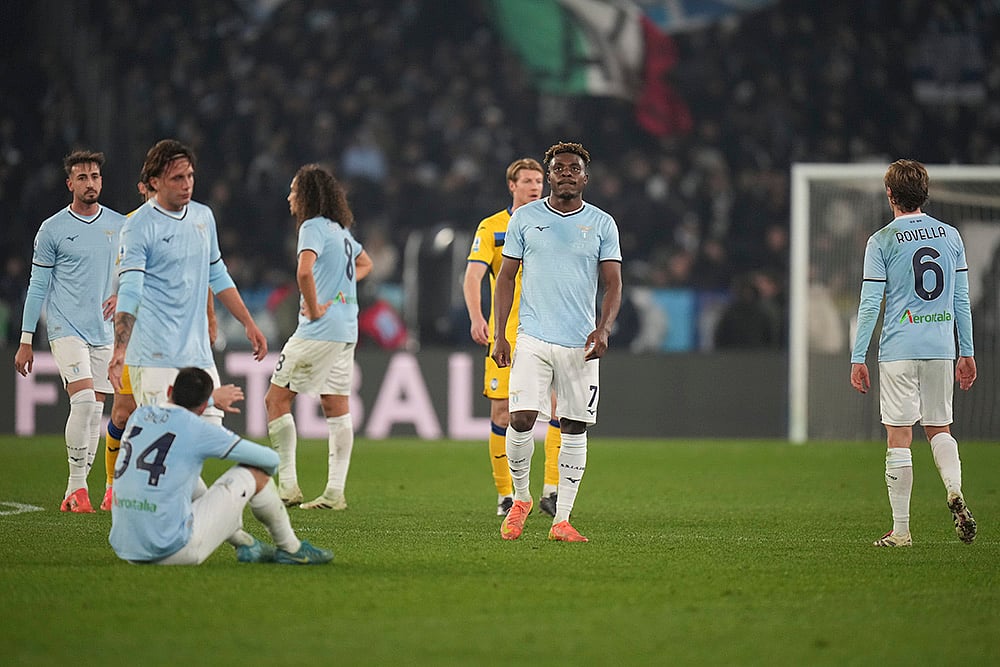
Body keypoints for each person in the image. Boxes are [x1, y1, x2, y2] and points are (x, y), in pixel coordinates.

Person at [492, 141, 623, 542]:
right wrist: (501, 334)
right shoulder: (525, 219)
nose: (566, 173)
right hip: (531, 336)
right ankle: (520, 498)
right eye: (559, 168)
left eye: (574, 168)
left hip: (579, 343)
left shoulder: (602, 223)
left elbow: (613, 284)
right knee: (521, 419)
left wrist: (603, 329)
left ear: (585, 177)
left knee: (574, 425)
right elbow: (506, 278)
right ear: (549, 176)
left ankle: (562, 519)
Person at [850, 159, 977, 548]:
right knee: (939, 428)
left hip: (899, 350)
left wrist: (858, 357)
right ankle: (953, 489)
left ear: (890, 194)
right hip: (941, 348)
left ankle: (902, 531)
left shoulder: (882, 240)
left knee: (899, 435)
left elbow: (871, 304)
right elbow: (961, 299)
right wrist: (966, 352)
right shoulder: (950, 236)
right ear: (925, 193)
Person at [109, 367, 333, 565]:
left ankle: (246, 544)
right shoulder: (198, 428)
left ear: (169, 391)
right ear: (204, 407)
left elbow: (171, 415)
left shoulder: (140, 415)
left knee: (180, 473)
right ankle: (291, 549)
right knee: (255, 473)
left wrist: (211, 400)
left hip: (126, 549)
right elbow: (270, 459)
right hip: (171, 551)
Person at [109, 139, 267, 414]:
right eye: (177, 178)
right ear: (155, 182)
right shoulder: (138, 226)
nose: (187, 184)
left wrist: (248, 322)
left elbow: (217, 275)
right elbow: (130, 291)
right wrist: (120, 350)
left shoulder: (203, 217)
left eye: (190, 176)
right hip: (154, 356)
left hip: (197, 355)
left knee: (210, 425)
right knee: (167, 439)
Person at [14, 150, 126, 513]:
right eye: (82, 178)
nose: (89, 183)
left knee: (96, 413)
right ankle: (76, 488)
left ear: (101, 181)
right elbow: (37, 286)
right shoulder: (52, 229)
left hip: (105, 331)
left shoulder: (119, 225)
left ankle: (96, 490)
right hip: (65, 328)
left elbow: (131, 272)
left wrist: (119, 294)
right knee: (81, 402)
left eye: (94, 176)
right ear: (70, 184)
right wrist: (26, 340)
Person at [101, 178, 220, 511]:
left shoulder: (192, 222)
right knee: (124, 414)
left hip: (179, 339)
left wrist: (210, 317)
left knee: (173, 417)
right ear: (146, 187)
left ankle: (166, 492)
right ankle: (112, 486)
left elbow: (204, 276)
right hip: (140, 334)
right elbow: (125, 282)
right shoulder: (134, 225)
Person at [265, 164, 372, 509]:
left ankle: (288, 486)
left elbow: (303, 271)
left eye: (294, 191)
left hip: (320, 329)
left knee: (276, 400)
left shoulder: (311, 227)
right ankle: (334, 493)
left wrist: (312, 307)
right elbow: (366, 264)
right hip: (346, 328)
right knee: (335, 404)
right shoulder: (340, 231)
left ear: (307, 195)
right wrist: (341, 291)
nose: (290, 197)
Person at [463, 157, 563, 517]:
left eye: (540, 180)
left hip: (550, 331)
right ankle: (506, 495)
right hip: (507, 334)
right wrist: (477, 317)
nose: (536, 186)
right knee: (503, 412)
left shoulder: (556, 223)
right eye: (529, 180)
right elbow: (473, 276)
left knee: (558, 409)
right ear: (512, 185)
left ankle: (551, 489)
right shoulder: (492, 227)